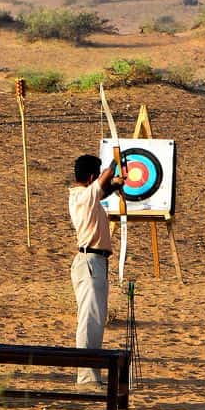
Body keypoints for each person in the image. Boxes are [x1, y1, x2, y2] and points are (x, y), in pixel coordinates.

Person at [67, 153, 123, 385]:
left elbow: (102, 189)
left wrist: (115, 184)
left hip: (93, 263)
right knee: (90, 321)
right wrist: (115, 162)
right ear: (91, 176)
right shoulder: (82, 196)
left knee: (95, 320)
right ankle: (87, 377)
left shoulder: (86, 196)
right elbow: (102, 182)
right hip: (90, 263)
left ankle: (90, 374)